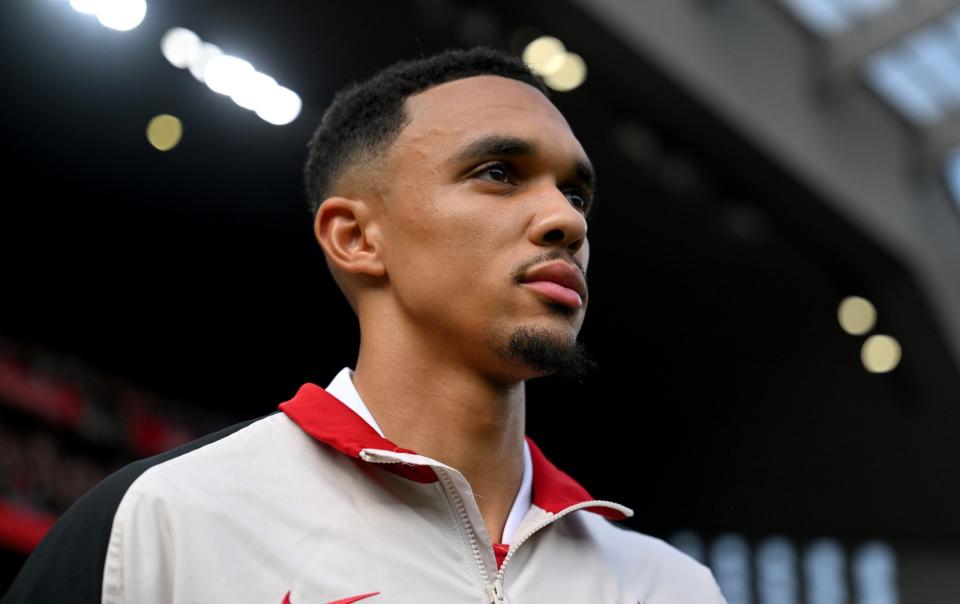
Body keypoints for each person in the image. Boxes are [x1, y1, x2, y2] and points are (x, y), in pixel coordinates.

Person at [5, 47, 726, 603]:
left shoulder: (673, 588)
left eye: (576, 192)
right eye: (500, 172)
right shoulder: (162, 524)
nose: (567, 220)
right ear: (356, 237)